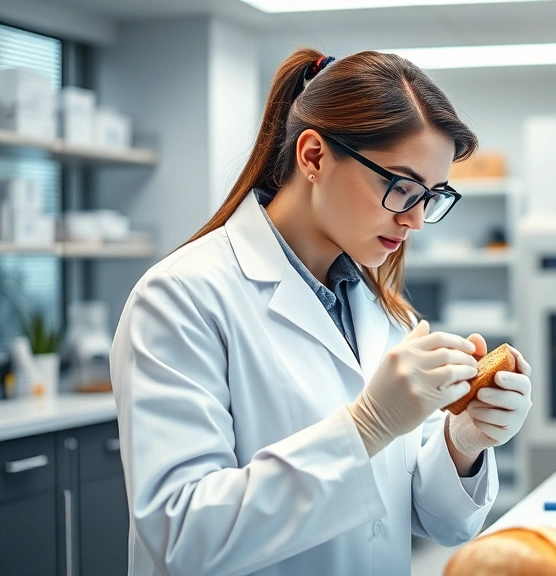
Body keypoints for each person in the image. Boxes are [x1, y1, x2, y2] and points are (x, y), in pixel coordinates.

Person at [110, 49, 533, 576]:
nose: (417, 221)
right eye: (401, 188)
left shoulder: (383, 310)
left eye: (432, 196)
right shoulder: (182, 297)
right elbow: (180, 536)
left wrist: (464, 441)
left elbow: (426, 517)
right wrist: (367, 427)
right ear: (313, 157)